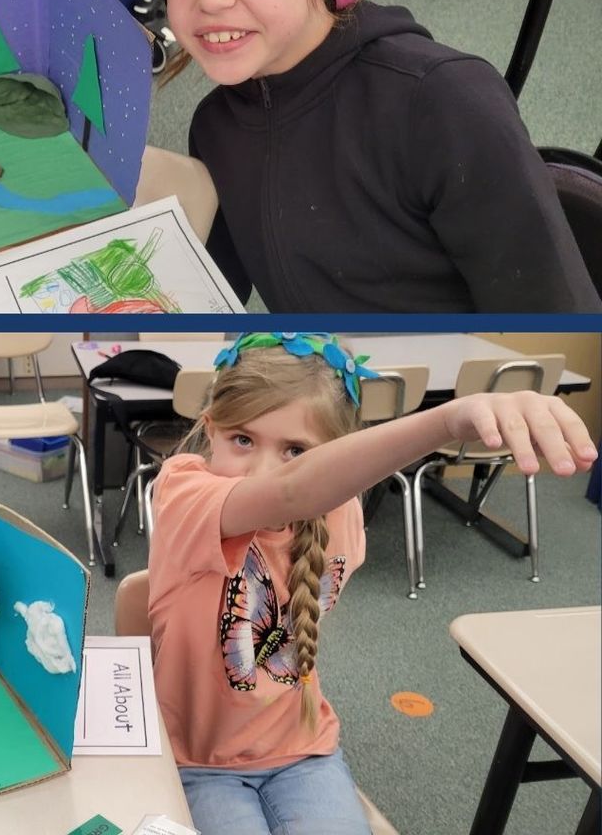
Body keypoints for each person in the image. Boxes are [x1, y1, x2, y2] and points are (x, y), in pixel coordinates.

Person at [148, 332, 597, 835]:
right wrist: (450, 418)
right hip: (195, 759)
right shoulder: (183, 490)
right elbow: (287, 492)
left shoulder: (340, 512)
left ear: (336, 457)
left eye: (296, 449)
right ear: (209, 428)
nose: (260, 467)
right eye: (243, 440)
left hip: (303, 751)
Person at [153, 0, 601, 312]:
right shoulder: (216, 127)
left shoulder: (443, 101)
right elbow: (219, 295)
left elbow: (561, 333)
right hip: (322, 378)